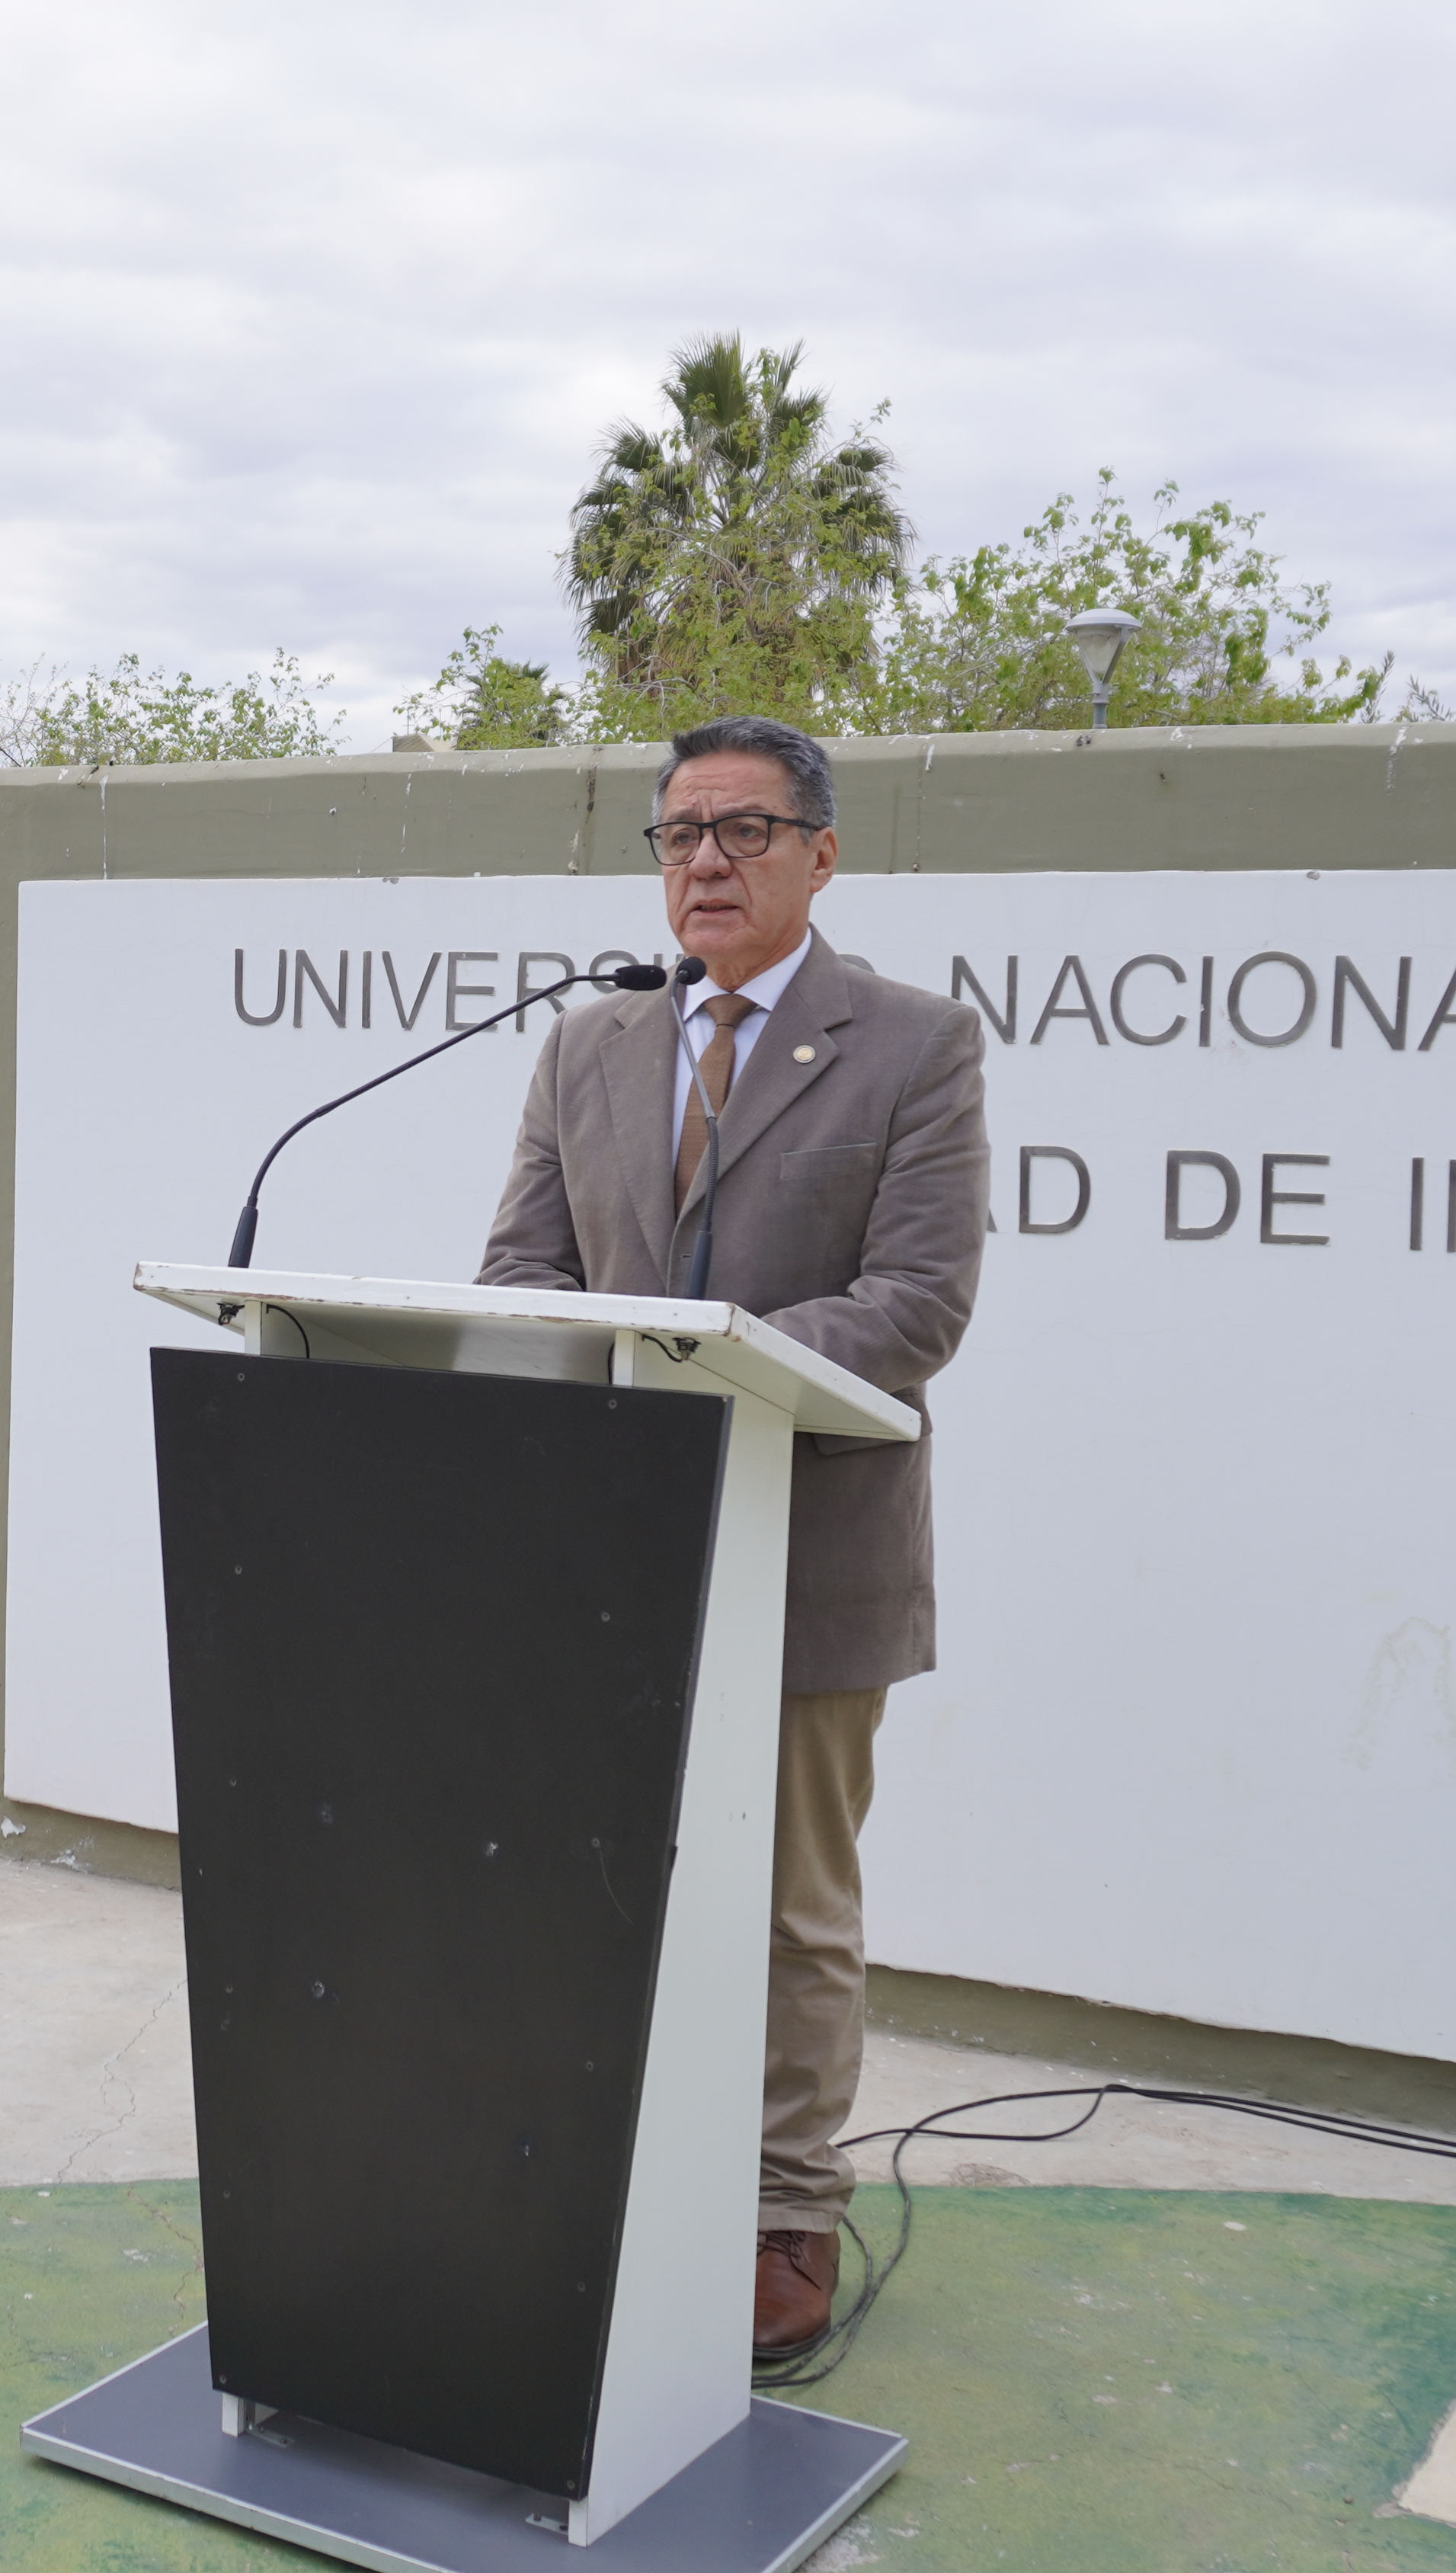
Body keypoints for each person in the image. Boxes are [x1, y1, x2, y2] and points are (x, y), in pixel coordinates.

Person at [472, 714, 990, 2363]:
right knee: (602, 1879)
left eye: (745, 831)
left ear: (822, 856)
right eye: (680, 833)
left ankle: (783, 2207)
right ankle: (621, 2166)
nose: (704, 860)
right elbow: (521, 1273)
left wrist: (696, 1365)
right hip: (609, 1546)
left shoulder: (914, 1043)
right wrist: (617, 1369)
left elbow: (918, 1303)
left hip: (810, 1550)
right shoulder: (587, 1044)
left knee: (790, 1907)